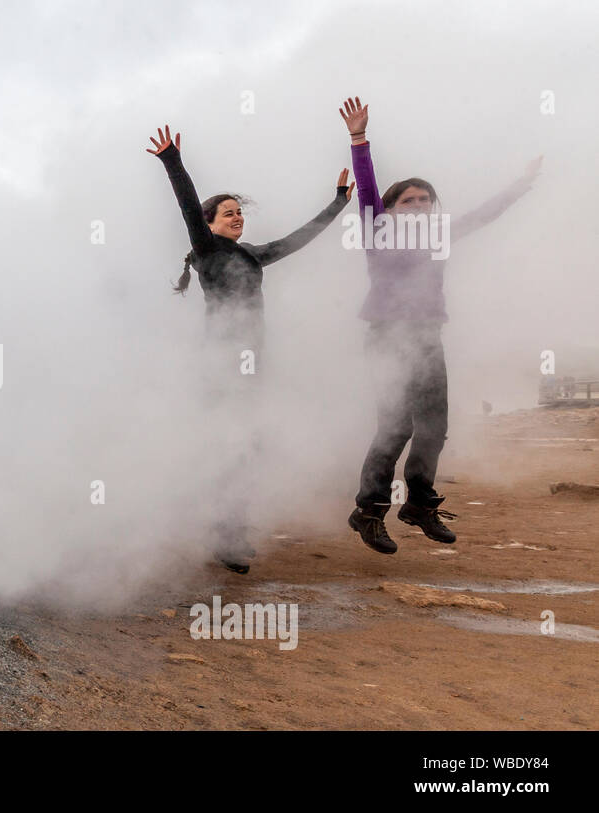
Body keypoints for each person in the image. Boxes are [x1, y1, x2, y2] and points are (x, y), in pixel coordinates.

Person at [338, 96, 541, 554]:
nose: (419, 206)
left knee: (434, 426)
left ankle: (419, 503)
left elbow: (485, 214)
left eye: (426, 201)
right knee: (394, 427)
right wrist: (358, 139)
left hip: (427, 337)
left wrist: (523, 185)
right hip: (388, 337)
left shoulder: (439, 236)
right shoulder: (377, 228)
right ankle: (369, 511)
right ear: (390, 209)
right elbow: (367, 190)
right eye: (409, 200)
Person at [146, 125, 353, 573]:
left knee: (249, 449)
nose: (238, 217)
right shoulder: (206, 250)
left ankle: (229, 528)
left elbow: (300, 238)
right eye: (228, 213)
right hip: (220, 366)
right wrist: (172, 162)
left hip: (250, 365)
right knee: (230, 448)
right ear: (210, 223)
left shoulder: (253, 255)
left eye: (240, 212)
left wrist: (338, 202)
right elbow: (186, 208)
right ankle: (222, 534)